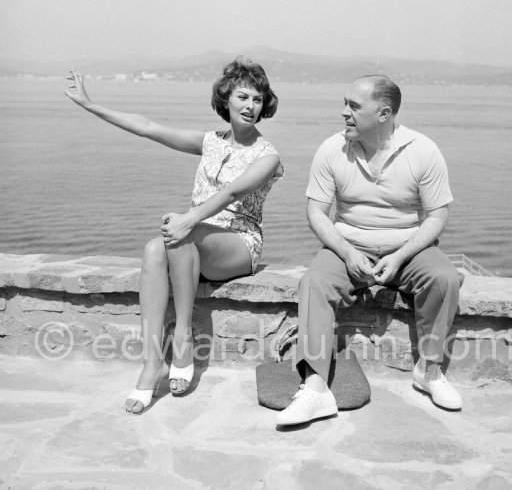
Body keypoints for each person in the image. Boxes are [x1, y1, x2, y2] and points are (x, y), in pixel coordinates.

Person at [65, 57, 283, 414]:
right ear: (226, 98)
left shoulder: (267, 155)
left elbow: (230, 195)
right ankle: (152, 365)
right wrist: (91, 106)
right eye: (243, 97)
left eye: (258, 100)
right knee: (155, 249)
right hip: (194, 237)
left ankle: (181, 336)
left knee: (178, 235)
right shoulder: (210, 141)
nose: (250, 106)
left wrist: (188, 219)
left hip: (239, 243)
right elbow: (148, 126)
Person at [276, 74, 463, 427]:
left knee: (444, 278)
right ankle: (315, 389)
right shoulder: (332, 149)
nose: (344, 112)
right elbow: (316, 212)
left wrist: (400, 255)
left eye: (353, 106)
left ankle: (430, 371)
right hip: (348, 245)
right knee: (314, 283)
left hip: (406, 247)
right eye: (345, 103)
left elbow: (437, 216)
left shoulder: (423, 150)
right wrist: (347, 253)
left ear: (384, 113)